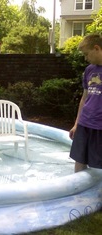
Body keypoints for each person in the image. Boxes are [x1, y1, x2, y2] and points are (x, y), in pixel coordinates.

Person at [69, 34, 102, 173]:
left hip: (100, 126)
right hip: (84, 123)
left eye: (86, 54)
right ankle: (77, 194)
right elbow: (84, 98)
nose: (85, 58)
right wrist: (77, 124)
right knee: (79, 159)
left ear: (96, 48)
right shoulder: (89, 70)